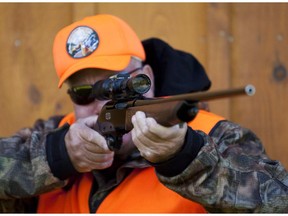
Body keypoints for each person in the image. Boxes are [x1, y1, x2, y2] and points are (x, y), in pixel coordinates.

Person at [1, 14, 288, 213]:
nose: (103, 104)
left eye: (118, 84)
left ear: (146, 76)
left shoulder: (214, 136)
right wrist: (58, 157)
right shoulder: (55, 136)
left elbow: (279, 203)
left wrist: (184, 158)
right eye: (84, 94)